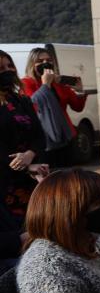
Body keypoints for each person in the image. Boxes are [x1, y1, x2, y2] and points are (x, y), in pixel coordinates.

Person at [0, 49, 49, 218]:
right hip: (5, 183)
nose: (8, 71)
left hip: (31, 180)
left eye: (10, 66)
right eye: (1, 68)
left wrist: (30, 154)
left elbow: (39, 136)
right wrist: (25, 165)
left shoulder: (21, 100)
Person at [21, 46, 89, 167]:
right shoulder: (26, 83)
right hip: (44, 139)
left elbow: (77, 107)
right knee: (51, 178)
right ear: (32, 64)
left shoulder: (58, 82)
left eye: (48, 60)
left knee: (67, 175)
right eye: (40, 61)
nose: (45, 63)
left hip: (65, 136)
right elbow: (35, 105)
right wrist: (45, 84)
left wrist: (79, 92)